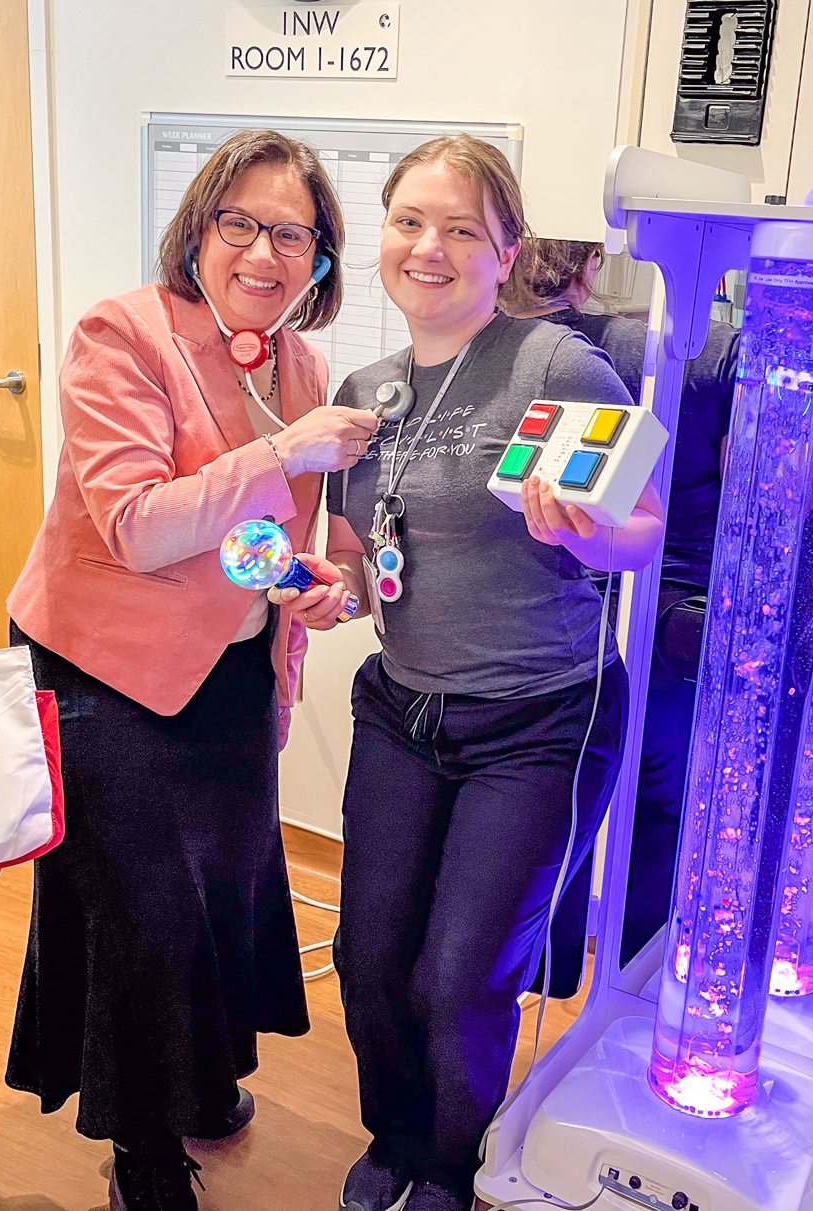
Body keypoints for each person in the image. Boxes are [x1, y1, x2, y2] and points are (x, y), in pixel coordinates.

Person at [275, 136, 665, 1211]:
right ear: (382, 239)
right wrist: (326, 589)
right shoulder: (369, 390)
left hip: (542, 718)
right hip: (404, 710)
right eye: (409, 222)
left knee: (461, 972)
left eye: (460, 229)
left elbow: (642, 532)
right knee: (369, 955)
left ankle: (455, 1158)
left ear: (505, 253)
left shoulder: (555, 366)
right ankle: (395, 1132)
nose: (428, 248)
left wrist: (587, 534)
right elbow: (360, 567)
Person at [3, 130, 376, 1211]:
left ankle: (204, 1080)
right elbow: (134, 526)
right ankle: (144, 1145)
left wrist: (317, 586)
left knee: (223, 891)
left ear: (319, 256)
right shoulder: (121, 333)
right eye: (241, 223)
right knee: (145, 910)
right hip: (105, 665)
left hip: (228, 668)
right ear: (200, 229)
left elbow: (277, 546)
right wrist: (284, 452)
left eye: (292, 232)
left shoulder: (299, 366)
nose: (265, 252)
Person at [503, 238, 740, 965]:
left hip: (553, 620)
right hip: (675, 624)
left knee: (559, 804)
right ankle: (637, 980)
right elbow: (752, 498)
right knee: (659, 809)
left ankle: (553, 967)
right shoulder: (709, 355)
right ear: (591, 263)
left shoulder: (508, 361)